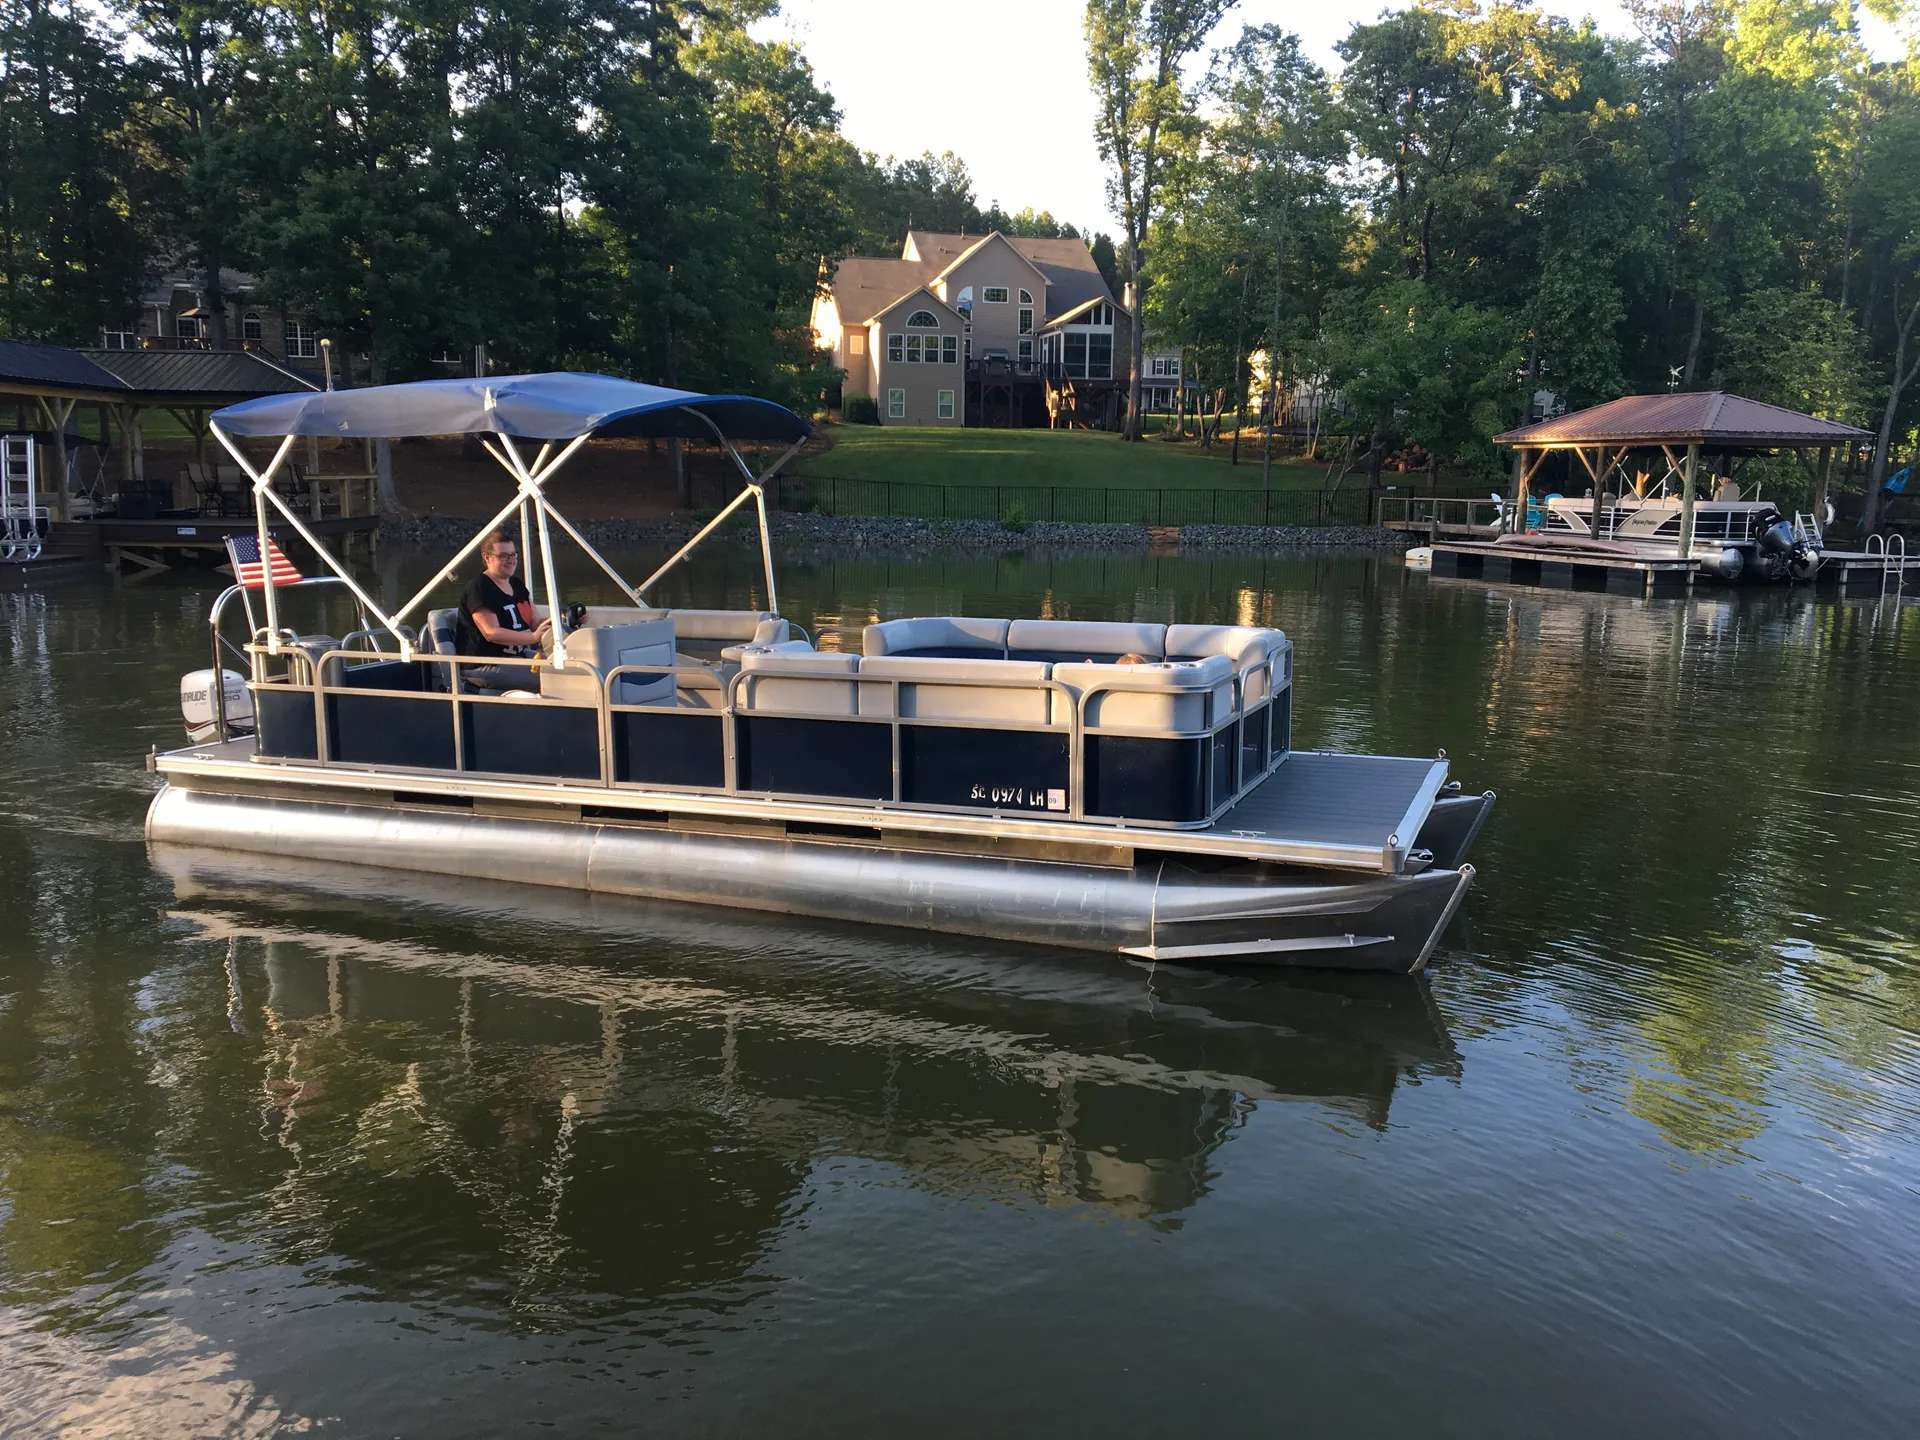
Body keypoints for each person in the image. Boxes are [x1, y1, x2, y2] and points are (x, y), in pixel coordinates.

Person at [456, 531, 551, 691]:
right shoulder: (479, 588)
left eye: (513, 555)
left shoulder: (516, 584)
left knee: (572, 668)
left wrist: (563, 621)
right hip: (485, 664)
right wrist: (533, 637)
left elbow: (536, 621)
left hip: (516, 658)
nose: (511, 561)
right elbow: (491, 633)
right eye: (503, 556)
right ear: (487, 558)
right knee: (554, 678)